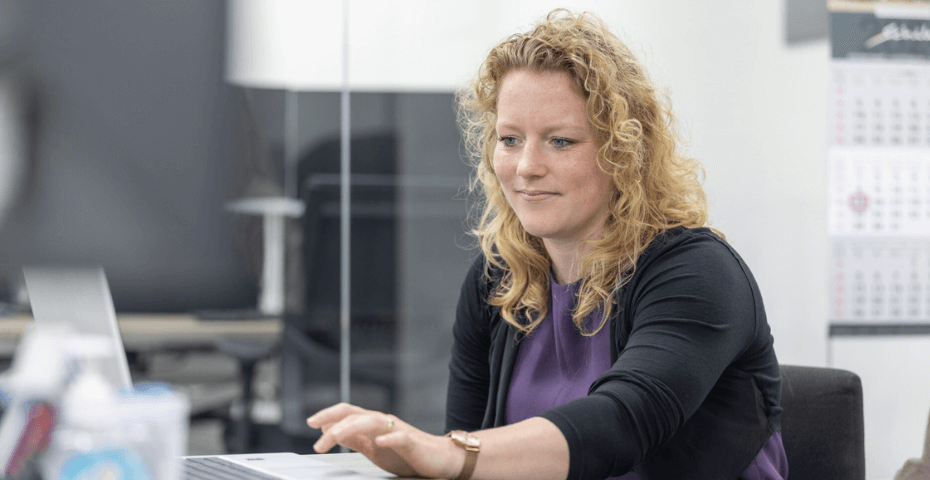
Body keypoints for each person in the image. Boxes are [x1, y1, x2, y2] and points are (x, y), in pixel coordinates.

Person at [307, 9, 787, 480]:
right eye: (510, 139)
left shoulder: (698, 272)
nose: (526, 166)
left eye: (560, 141)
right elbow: (469, 451)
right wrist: (415, 463)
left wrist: (450, 456)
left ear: (623, 150)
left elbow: (620, 426)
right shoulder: (497, 277)